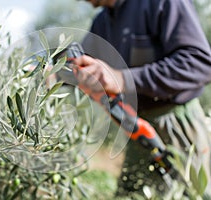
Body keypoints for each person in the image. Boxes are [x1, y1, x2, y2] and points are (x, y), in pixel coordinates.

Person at [74, 0, 211, 197]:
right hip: (138, 129)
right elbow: (78, 69)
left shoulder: (161, 3)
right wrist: (52, 74)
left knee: (189, 193)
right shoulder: (103, 22)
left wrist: (123, 79)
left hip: (178, 126)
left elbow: (199, 63)